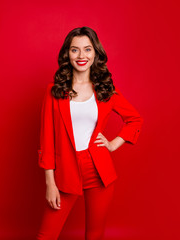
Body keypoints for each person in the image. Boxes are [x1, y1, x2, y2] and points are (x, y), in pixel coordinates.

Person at [36, 26, 144, 240]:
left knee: (94, 235)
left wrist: (114, 144)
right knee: (46, 235)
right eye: (75, 50)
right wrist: (50, 182)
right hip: (65, 169)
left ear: (95, 53)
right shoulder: (54, 91)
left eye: (87, 49)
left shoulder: (106, 89)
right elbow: (46, 139)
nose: (81, 55)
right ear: (67, 54)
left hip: (99, 170)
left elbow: (135, 120)